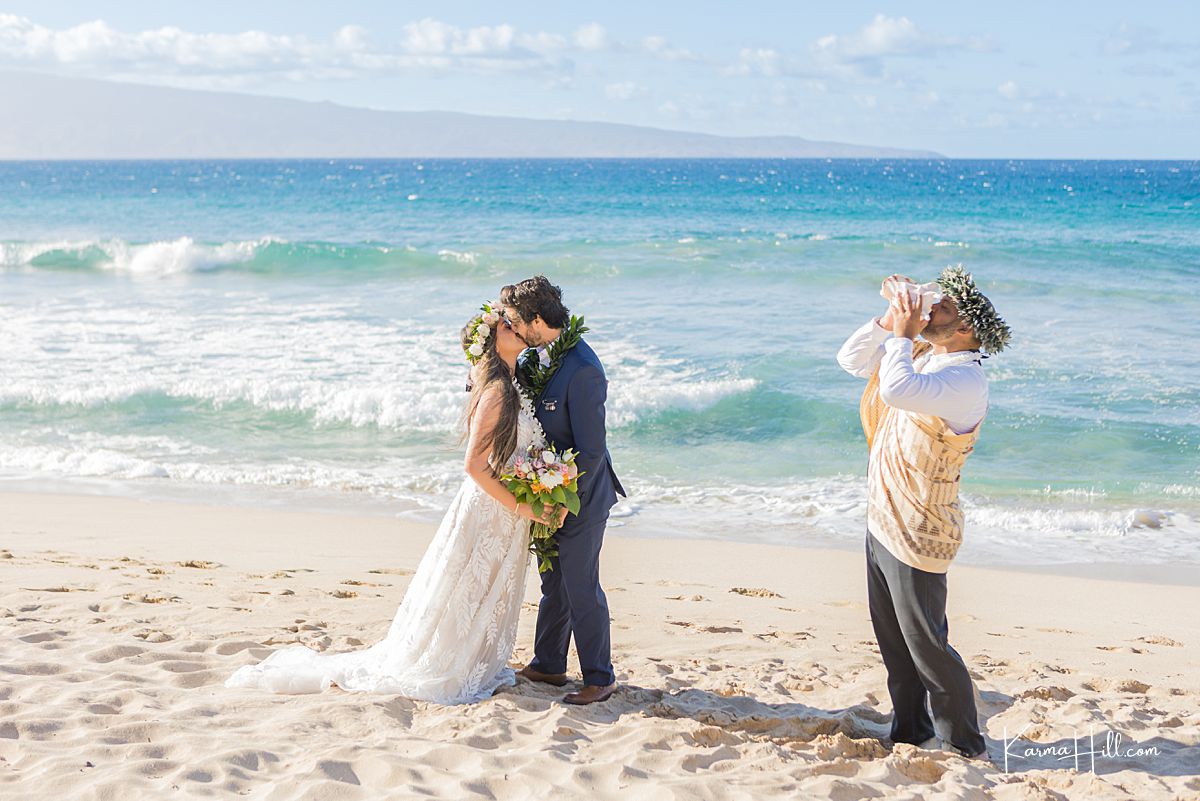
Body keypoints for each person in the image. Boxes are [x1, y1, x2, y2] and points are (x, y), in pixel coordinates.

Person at [225, 303, 555, 704]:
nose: (513, 326)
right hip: (488, 510)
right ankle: (452, 663)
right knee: (464, 592)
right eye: (505, 323)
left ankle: (474, 660)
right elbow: (473, 465)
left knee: (480, 593)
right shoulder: (498, 391)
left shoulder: (511, 380)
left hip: (500, 511)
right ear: (492, 341)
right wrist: (525, 507)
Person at [836, 265, 1012, 758]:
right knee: (894, 641)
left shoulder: (963, 379)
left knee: (927, 644)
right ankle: (910, 729)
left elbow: (894, 390)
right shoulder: (920, 354)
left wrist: (903, 334)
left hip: (920, 527)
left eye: (945, 309)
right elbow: (851, 360)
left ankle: (964, 742)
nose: (932, 310)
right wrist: (889, 320)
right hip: (883, 514)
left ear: (966, 330)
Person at [500, 276, 626, 706]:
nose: (511, 326)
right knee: (554, 583)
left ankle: (600, 676)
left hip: (583, 498)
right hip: (549, 491)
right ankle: (550, 664)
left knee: (581, 585)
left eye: (516, 320)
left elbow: (591, 451)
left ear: (537, 320)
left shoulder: (584, 370)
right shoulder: (539, 358)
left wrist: (559, 500)